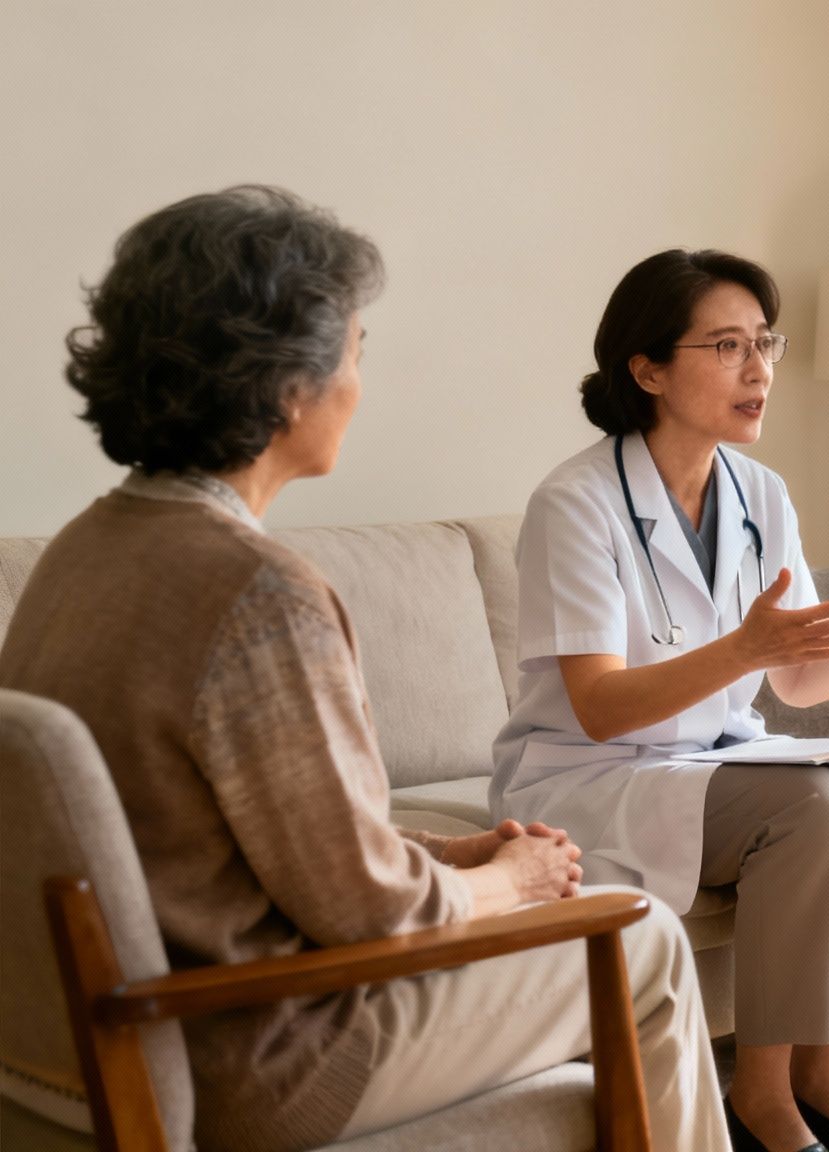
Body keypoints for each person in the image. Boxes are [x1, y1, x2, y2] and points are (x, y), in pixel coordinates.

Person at [0, 187, 730, 1150]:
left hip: (118, 1037)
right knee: (638, 936)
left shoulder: (80, 554)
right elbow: (368, 914)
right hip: (265, 1057)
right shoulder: (260, 597)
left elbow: (254, 847)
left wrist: (447, 852)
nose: (357, 383)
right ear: (284, 385)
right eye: (353, 352)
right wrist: (512, 878)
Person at [492, 248, 829, 1152]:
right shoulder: (574, 504)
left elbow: (799, 678)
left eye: (765, 343)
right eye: (728, 345)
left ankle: (823, 1079)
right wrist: (741, 647)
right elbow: (601, 709)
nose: (760, 369)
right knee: (812, 805)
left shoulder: (758, 494)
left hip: (713, 758)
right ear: (648, 368)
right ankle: (762, 1101)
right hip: (588, 775)